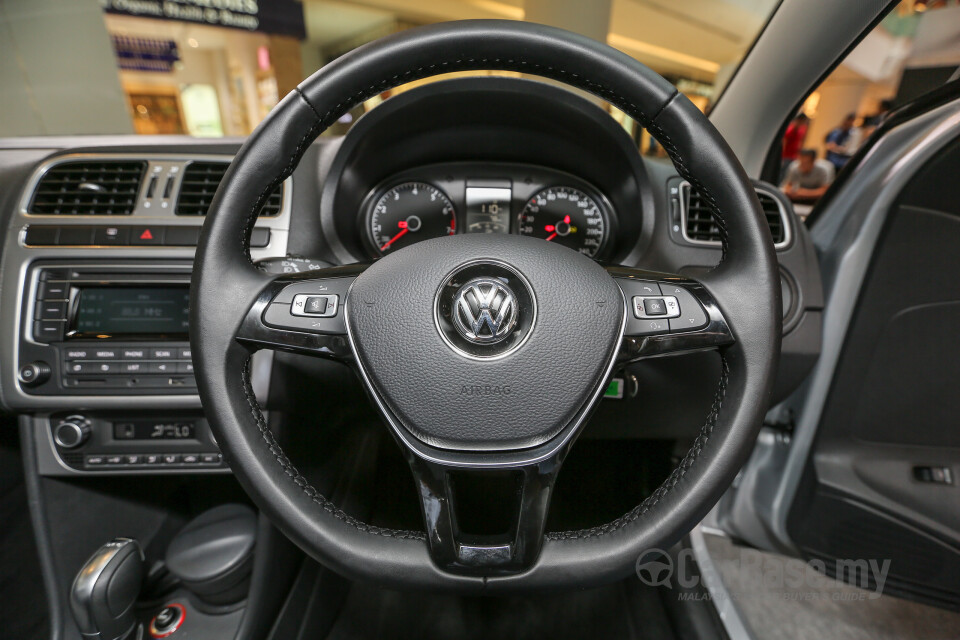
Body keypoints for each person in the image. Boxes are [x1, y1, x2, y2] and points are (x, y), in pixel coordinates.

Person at [781, 113, 809, 182]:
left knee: (788, 174)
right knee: (782, 174)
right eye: (803, 121)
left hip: (794, 156)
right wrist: (782, 157)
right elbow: (784, 143)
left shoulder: (801, 130)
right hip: (786, 156)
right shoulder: (790, 129)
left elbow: (800, 142)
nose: (803, 123)